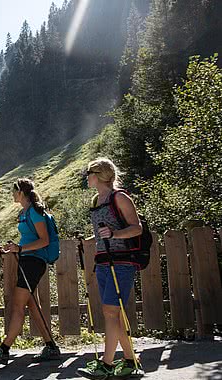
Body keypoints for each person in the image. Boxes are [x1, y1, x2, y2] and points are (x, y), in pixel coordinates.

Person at [0, 178, 60, 365]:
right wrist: (11, 249)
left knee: (17, 306)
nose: (12, 194)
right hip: (27, 260)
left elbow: (44, 240)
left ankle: (4, 349)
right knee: (32, 305)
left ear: (21, 192)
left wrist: (21, 249)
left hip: (34, 262)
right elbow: (27, 240)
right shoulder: (25, 212)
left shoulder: (35, 212)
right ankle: (52, 348)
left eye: (13, 191)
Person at [77, 158, 142, 380]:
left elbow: (136, 229)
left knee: (111, 312)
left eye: (89, 173)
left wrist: (115, 235)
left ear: (99, 174)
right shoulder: (97, 200)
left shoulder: (119, 197)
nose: (87, 177)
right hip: (103, 262)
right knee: (111, 313)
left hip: (122, 262)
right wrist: (88, 240)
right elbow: (103, 232)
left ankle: (106, 364)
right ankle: (131, 361)